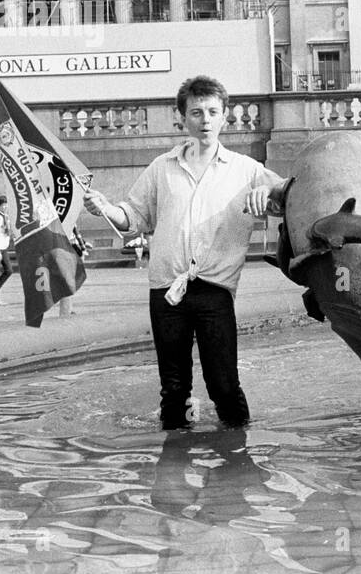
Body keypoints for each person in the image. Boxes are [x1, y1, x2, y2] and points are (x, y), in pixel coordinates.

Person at [83, 75, 290, 429]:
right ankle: (174, 461)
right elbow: (133, 217)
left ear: (225, 116)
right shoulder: (162, 168)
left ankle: (237, 456)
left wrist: (270, 193)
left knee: (223, 385)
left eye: (212, 111)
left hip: (215, 289)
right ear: (183, 118)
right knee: (174, 388)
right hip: (166, 289)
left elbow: (289, 194)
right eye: (196, 112)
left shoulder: (247, 170)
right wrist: (104, 207)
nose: (205, 120)